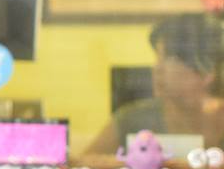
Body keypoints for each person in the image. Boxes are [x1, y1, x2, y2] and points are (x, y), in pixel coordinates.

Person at [87, 13, 224, 154]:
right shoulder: (131, 121)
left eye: (170, 58)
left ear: (207, 70)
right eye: (158, 58)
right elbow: (83, 168)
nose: (157, 68)